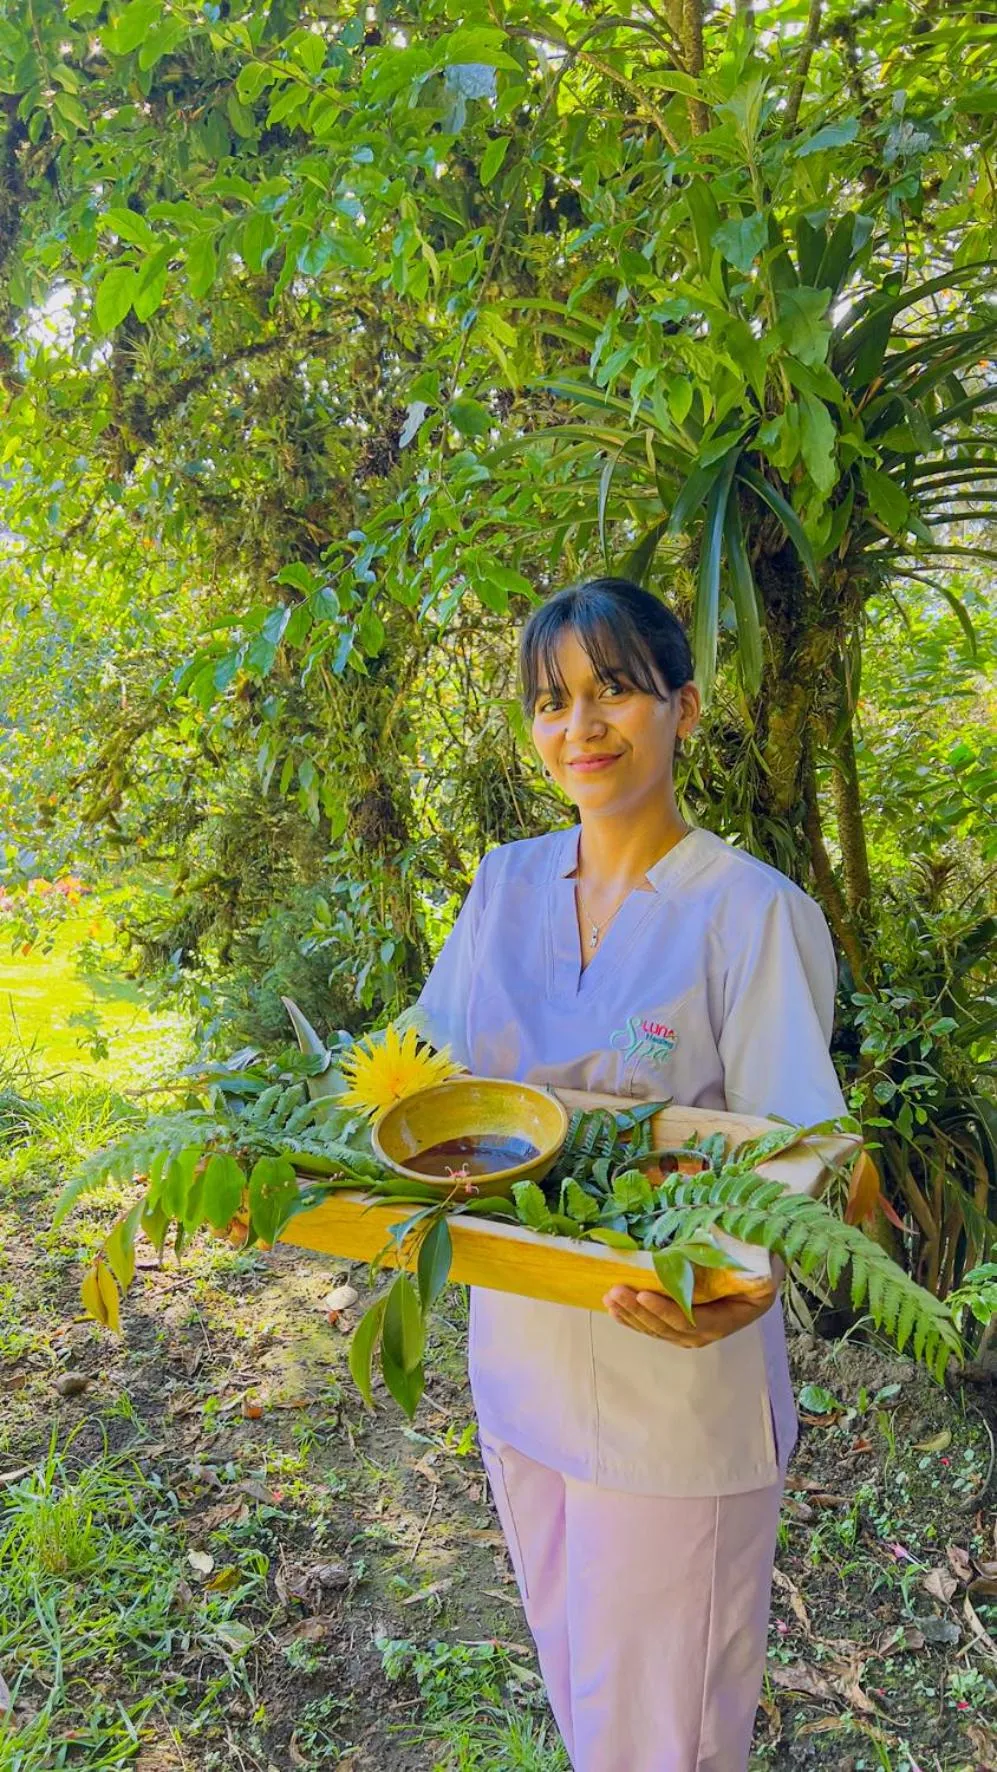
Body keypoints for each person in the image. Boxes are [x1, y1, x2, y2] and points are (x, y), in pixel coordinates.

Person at [416, 578, 847, 1772]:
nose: (581, 724)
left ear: (684, 707)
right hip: (517, 1353)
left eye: (614, 688)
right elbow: (422, 1081)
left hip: (673, 1380)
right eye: (552, 700)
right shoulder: (503, 886)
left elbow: (797, 1156)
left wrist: (750, 1282)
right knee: (578, 1688)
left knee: (664, 1736)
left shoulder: (751, 913)